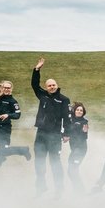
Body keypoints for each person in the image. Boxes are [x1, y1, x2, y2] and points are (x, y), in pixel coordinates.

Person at [31, 58, 71, 198]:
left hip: (55, 136)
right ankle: (41, 187)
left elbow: (67, 118)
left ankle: (59, 189)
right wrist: (37, 69)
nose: (52, 87)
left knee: (55, 163)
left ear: (57, 85)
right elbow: (34, 85)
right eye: (49, 85)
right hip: (41, 134)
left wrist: (67, 133)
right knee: (39, 162)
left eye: (53, 85)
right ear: (46, 87)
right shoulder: (42, 95)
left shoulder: (64, 100)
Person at [64, 102, 89, 194]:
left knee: (73, 170)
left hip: (80, 150)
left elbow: (84, 136)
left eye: (81, 110)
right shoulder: (71, 119)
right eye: (78, 110)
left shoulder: (84, 122)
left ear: (83, 112)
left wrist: (84, 132)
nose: (79, 111)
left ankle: (81, 191)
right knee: (70, 171)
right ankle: (78, 190)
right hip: (74, 150)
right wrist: (65, 136)